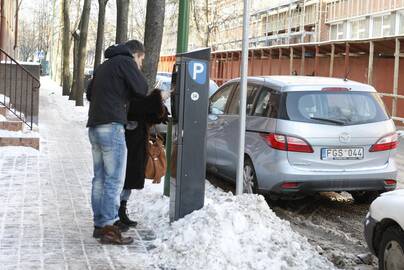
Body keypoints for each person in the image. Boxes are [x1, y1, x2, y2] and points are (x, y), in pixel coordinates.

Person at [86, 40, 148, 245]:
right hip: (112, 127)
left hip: (94, 126)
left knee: (100, 178)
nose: (140, 64)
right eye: (142, 60)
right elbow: (142, 88)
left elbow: (89, 93)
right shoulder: (126, 62)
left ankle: (100, 225)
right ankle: (110, 228)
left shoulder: (104, 65)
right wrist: (135, 70)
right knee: (114, 179)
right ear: (136, 54)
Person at [118, 89, 169, 226]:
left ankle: (121, 210)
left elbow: (151, 114)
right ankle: (116, 213)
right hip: (129, 142)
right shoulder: (128, 96)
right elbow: (141, 108)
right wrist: (158, 99)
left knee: (127, 179)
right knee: (122, 178)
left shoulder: (136, 96)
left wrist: (160, 107)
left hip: (135, 143)